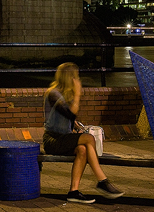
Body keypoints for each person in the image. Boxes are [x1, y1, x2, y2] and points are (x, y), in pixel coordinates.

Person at [42, 62, 124, 204]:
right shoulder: (53, 93)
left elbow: (66, 120)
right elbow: (69, 114)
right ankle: (102, 181)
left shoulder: (65, 95)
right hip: (53, 140)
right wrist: (78, 94)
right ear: (70, 78)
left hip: (63, 138)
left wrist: (75, 127)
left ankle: (73, 192)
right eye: (76, 77)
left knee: (82, 149)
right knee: (88, 138)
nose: (78, 80)